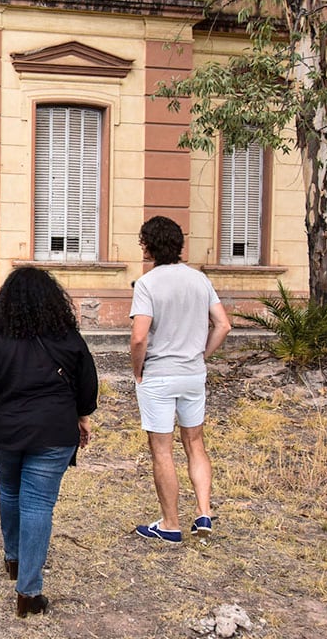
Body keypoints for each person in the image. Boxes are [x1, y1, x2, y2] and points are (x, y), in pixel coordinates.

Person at [0, 267, 98, 617]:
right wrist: (83, 417)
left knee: (9, 491)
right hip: (54, 432)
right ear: (53, 301)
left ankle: (13, 559)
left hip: (5, 431)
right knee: (38, 505)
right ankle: (28, 593)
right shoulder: (68, 336)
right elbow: (87, 381)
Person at [129, 216, 231, 544]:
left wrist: (137, 369)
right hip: (192, 374)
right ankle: (203, 512)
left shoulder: (148, 283)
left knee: (162, 451)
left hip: (159, 375)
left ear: (148, 245)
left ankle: (170, 524)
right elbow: (223, 325)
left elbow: (139, 337)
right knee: (195, 443)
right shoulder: (199, 280)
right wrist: (201, 355)